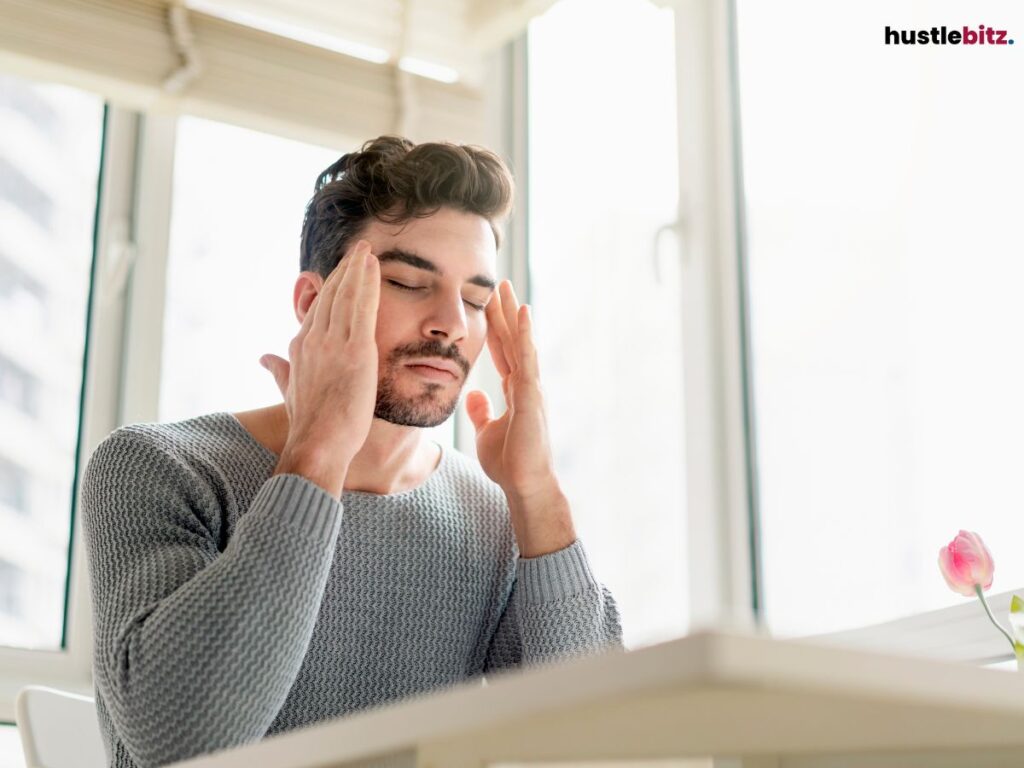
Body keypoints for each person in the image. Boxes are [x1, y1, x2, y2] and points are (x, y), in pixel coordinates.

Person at [80, 135, 623, 768]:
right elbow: (183, 742)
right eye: (408, 281)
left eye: (475, 300)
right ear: (314, 304)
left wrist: (535, 493)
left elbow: (593, 747)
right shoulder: (159, 468)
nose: (451, 322)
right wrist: (317, 453)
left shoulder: (497, 522)